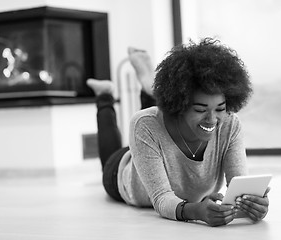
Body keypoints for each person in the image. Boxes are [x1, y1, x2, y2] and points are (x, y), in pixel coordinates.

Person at [86, 38, 270, 227]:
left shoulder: (230, 125)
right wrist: (195, 211)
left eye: (220, 108)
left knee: (156, 121)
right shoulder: (144, 124)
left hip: (156, 139)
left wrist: (253, 205)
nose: (212, 119)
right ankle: (104, 95)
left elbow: (239, 187)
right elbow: (161, 198)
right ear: (179, 104)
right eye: (200, 110)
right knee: (119, 148)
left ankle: (148, 86)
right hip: (122, 173)